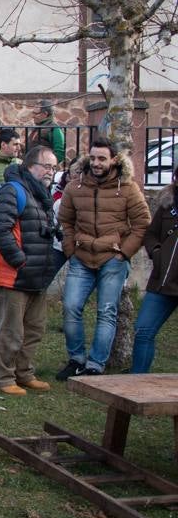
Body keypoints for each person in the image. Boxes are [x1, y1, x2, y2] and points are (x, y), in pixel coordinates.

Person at [57, 138, 151, 378]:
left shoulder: (128, 188)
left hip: (113, 258)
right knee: (70, 307)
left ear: (114, 160)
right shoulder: (75, 187)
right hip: (81, 255)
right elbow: (65, 220)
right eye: (93, 158)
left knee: (107, 311)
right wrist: (70, 248)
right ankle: (76, 359)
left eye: (102, 158)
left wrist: (124, 253)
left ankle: (95, 364)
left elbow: (142, 223)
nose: (97, 163)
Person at [0, 146, 64, 395]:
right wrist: (19, 260)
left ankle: (24, 373)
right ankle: (3, 377)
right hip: (15, 274)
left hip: (37, 274)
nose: (51, 172)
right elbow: (0, 228)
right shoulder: (13, 190)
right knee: (11, 331)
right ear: (31, 165)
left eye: (54, 167)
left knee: (34, 328)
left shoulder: (42, 194)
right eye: (47, 166)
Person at [132, 168, 178, 373]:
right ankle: (136, 384)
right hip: (162, 282)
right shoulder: (167, 205)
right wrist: (157, 253)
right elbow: (150, 235)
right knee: (143, 331)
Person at [30, 99, 66, 164]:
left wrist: (48, 167)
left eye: (35, 113)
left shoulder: (54, 129)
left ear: (45, 114)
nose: (33, 116)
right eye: (33, 113)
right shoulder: (37, 128)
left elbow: (59, 153)